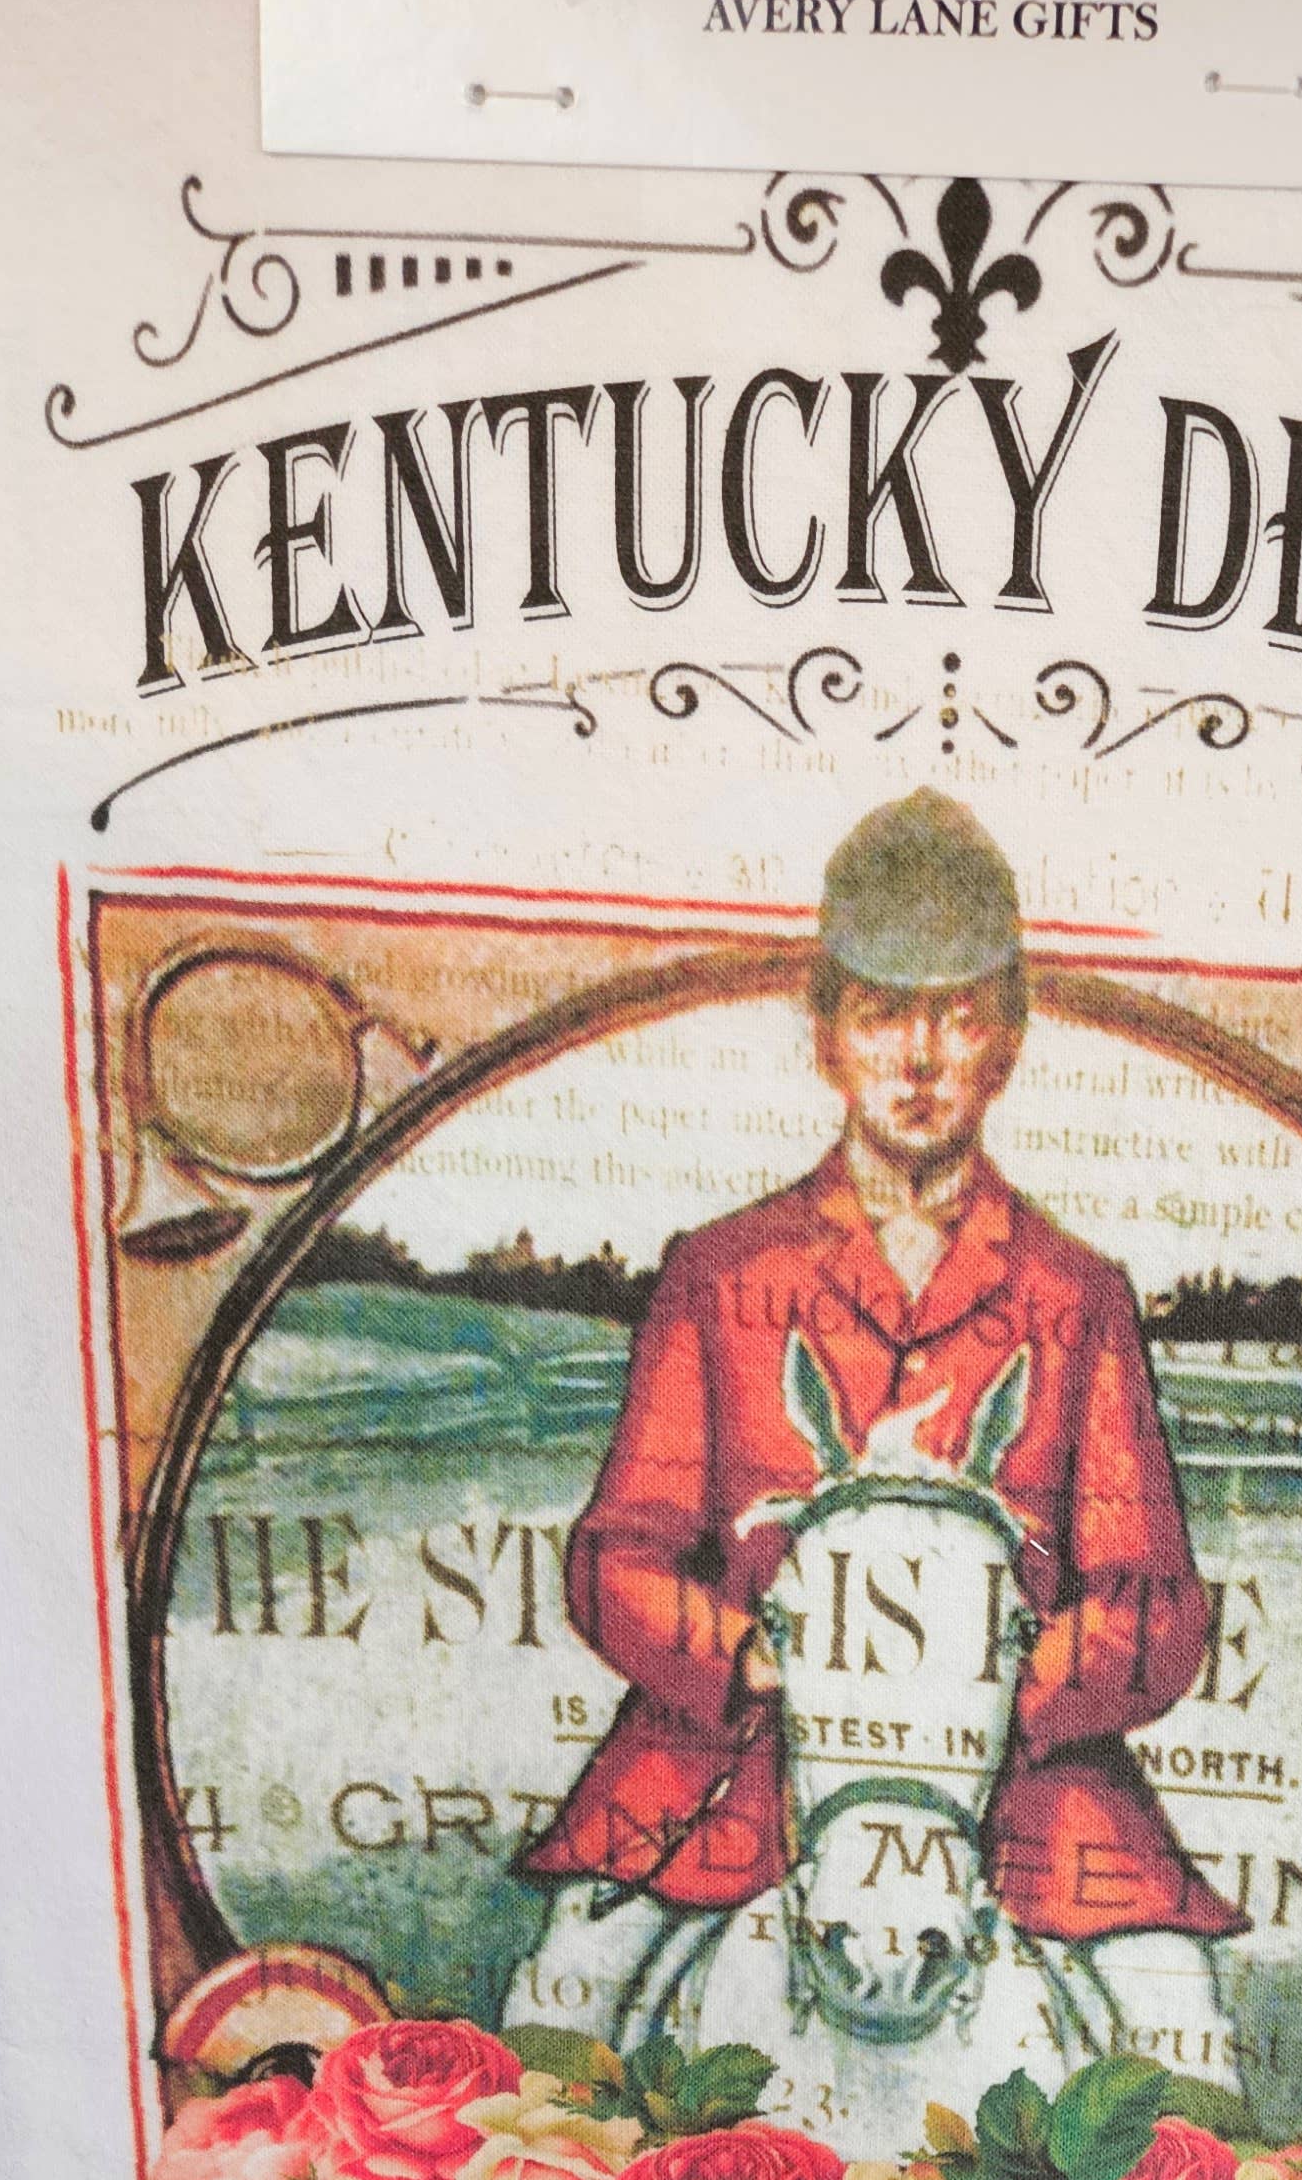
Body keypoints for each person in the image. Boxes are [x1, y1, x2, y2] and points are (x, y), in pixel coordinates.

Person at [520, 791, 1244, 2054]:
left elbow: (1154, 1604)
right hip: (729, 1773)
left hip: (1028, 1792)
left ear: (1007, 1041)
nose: (918, 1057)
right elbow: (617, 1559)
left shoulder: (1077, 1294)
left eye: (957, 1017)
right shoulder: (718, 1272)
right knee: (563, 2008)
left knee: (1180, 2031)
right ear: (825, 1038)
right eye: (881, 1014)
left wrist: (994, 1694)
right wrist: (751, 1661)